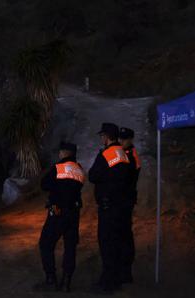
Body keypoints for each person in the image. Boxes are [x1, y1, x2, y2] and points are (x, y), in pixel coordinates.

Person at [34, 142, 85, 292]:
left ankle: (51, 278)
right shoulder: (79, 169)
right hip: (73, 213)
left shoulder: (57, 168)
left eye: (60, 152)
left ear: (64, 153)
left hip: (57, 212)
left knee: (46, 243)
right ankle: (67, 281)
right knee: (70, 247)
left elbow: (44, 184)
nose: (59, 154)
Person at [88, 123, 131, 293]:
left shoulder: (105, 154)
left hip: (108, 206)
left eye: (102, 136)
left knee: (107, 244)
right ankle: (117, 279)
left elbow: (92, 176)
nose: (101, 139)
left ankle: (107, 283)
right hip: (121, 205)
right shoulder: (123, 153)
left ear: (106, 137)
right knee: (118, 243)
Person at [118, 127, 141, 284]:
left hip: (125, 200)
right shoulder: (125, 154)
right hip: (123, 199)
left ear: (131, 139)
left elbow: (127, 178)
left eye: (124, 139)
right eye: (120, 139)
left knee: (125, 234)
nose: (121, 142)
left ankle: (126, 271)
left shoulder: (131, 156)